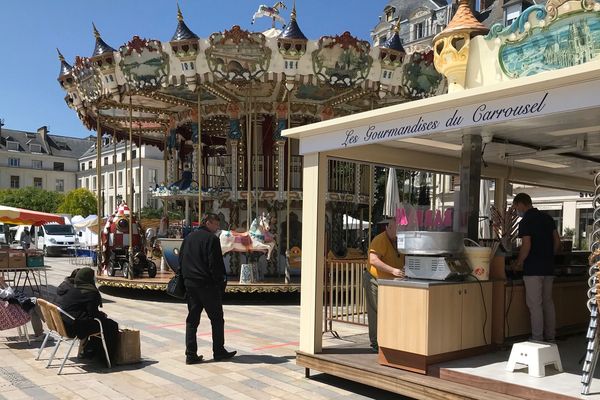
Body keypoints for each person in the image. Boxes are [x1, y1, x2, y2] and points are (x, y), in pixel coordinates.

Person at [179, 212, 236, 365]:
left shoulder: (189, 237)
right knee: (217, 319)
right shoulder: (211, 239)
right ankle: (219, 351)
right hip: (207, 285)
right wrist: (219, 283)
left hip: (191, 284)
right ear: (208, 222)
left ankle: (190, 354)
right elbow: (215, 264)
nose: (217, 228)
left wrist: (186, 279)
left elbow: (181, 259)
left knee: (192, 320)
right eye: (216, 224)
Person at [512, 193, 561, 342]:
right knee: (548, 302)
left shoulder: (526, 221)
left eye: (516, 207)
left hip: (533, 269)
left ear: (521, 204)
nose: (516, 211)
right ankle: (551, 337)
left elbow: (526, 246)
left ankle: (537, 338)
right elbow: (557, 242)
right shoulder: (548, 218)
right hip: (548, 267)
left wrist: (518, 263)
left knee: (535, 305)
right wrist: (548, 257)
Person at [58, 267, 118, 366]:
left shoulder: (72, 288)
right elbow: (93, 314)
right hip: (75, 328)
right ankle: (105, 358)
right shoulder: (89, 292)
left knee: (102, 323)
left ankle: (92, 351)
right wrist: (102, 315)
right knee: (111, 325)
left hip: (64, 324)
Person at [362, 217, 405, 353]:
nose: (399, 233)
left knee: (389, 310)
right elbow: (373, 260)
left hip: (392, 282)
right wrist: (393, 270)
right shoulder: (380, 240)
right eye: (397, 229)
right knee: (377, 310)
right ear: (388, 228)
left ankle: (389, 340)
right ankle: (376, 342)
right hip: (374, 279)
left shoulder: (400, 240)